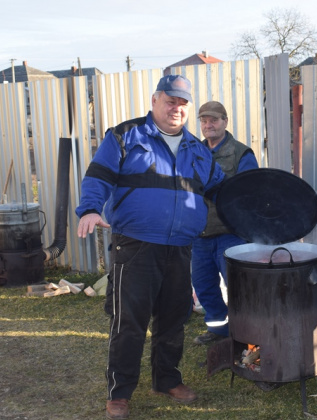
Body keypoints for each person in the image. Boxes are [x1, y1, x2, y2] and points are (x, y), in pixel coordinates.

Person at [75, 75, 225, 420]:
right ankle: (119, 393)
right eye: (171, 100)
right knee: (129, 322)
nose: (177, 108)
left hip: (181, 246)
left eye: (183, 103)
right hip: (137, 246)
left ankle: (167, 380)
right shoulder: (125, 136)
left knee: (174, 318)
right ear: (156, 100)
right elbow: (97, 176)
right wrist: (90, 209)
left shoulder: (198, 151)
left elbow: (221, 190)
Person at [190, 101, 259, 345]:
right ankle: (218, 330)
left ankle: (248, 334)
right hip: (199, 234)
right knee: (204, 285)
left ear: (225, 121)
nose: (208, 125)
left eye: (214, 120)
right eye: (203, 120)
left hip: (230, 234)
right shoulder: (191, 151)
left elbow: (249, 194)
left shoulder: (241, 153)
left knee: (239, 288)